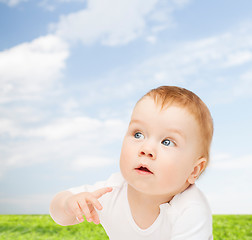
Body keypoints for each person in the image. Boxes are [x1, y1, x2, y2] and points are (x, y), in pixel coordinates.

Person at [50, 86, 214, 240]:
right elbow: (59, 214)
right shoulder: (112, 191)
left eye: (167, 142)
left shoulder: (191, 210)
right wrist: (68, 205)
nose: (146, 148)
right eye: (138, 134)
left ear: (194, 170)